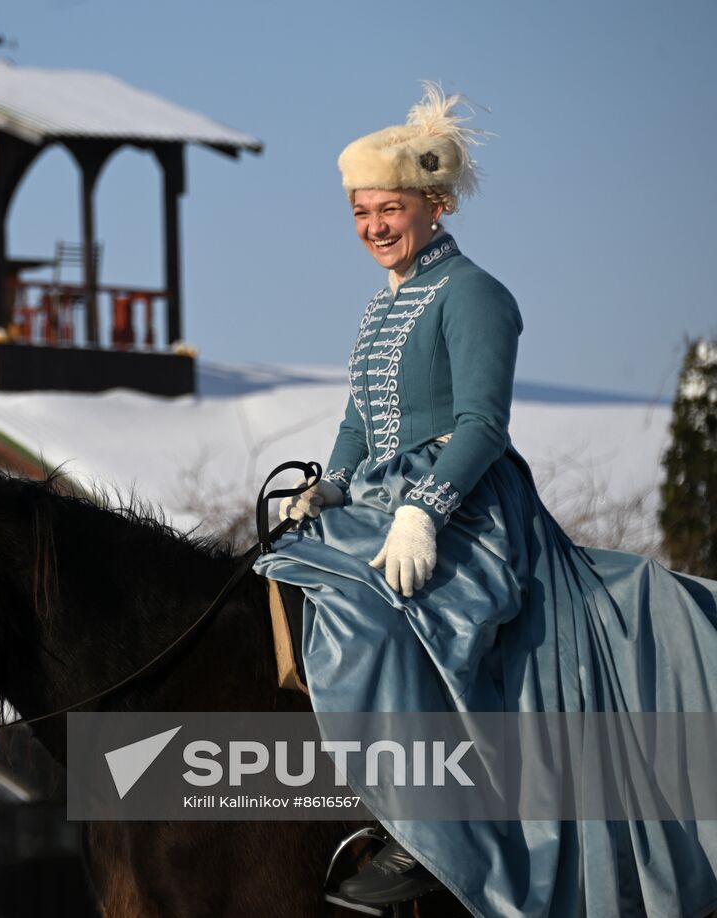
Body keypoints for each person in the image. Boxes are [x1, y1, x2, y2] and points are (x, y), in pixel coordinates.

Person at [257, 84, 717, 916]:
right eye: (359, 212)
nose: (371, 227)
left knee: (377, 606)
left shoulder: (474, 294)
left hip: (468, 505)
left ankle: (431, 835)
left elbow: (482, 425)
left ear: (431, 205)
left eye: (386, 209)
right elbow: (360, 422)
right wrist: (323, 487)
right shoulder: (381, 305)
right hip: (381, 498)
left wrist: (421, 510)